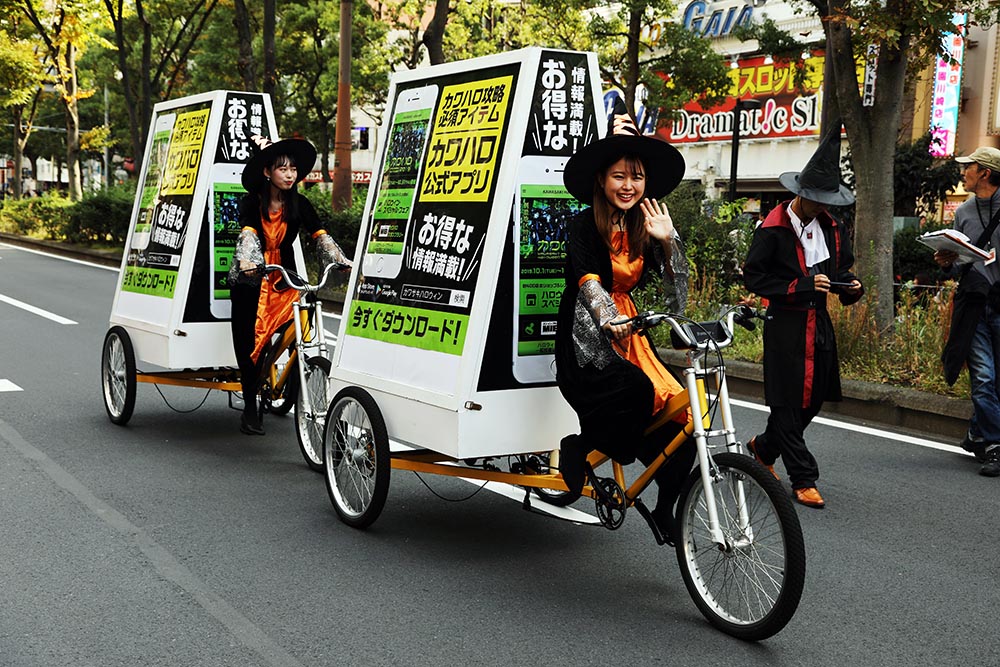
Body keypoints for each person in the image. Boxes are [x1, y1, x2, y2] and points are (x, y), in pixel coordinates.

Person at [554, 108, 695, 544]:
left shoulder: (644, 226)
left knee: (686, 422)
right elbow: (588, 282)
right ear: (601, 179)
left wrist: (669, 241)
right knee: (634, 392)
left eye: (636, 177)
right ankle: (579, 446)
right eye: (619, 176)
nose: (628, 185)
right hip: (586, 339)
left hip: (633, 335)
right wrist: (609, 319)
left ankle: (663, 508)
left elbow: (678, 294)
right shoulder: (582, 225)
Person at [742, 120, 864, 509]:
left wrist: (851, 287)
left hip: (820, 324)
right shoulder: (772, 229)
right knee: (785, 402)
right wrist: (800, 286)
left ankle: (762, 448)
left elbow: (840, 271)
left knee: (813, 400)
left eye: (828, 200)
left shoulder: (832, 227)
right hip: (785, 324)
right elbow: (756, 278)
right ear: (800, 194)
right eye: (818, 199)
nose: (823, 206)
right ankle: (803, 477)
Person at [229, 135, 351, 436]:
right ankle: (249, 407)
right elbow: (248, 235)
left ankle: (293, 376)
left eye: (294, 169)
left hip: (283, 276)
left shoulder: (300, 203)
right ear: (267, 172)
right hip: (253, 277)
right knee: (250, 344)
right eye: (282, 169)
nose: (290, 175)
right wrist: (248, 263)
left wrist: (342, 261)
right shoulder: (251, 203)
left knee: (300, 322)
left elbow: (319, 235)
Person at [935, 146, 1000, 475]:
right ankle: (993, 445)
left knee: (997, 380)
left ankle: (978, 432)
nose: (963, 172)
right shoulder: (964, 211)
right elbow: (958, 264)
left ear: (985, 173)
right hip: (974, 303)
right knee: (984, 377)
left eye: (969, 167)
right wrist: (947, 261)